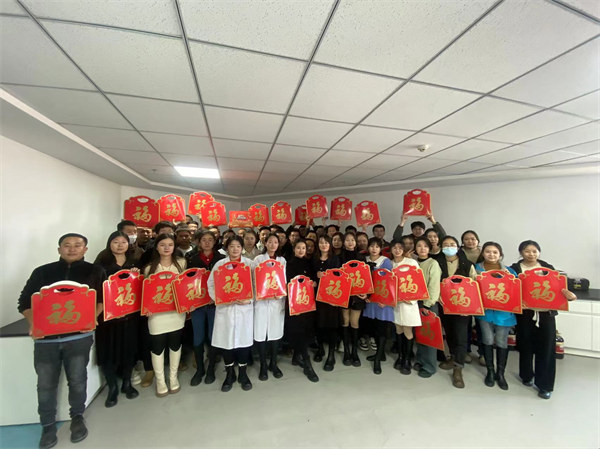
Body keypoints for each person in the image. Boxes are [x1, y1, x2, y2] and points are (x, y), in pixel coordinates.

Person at [17, 233, 105, 449]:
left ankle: (77, 417)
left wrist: (92, 317)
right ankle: (47, 426)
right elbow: (24, 302)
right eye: (67, 245)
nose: (72, 249)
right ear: (59, 249)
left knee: (77, 379)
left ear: (85, 249)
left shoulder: (95, 271)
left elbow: (103, 299)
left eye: (77, 245)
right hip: (46, 340)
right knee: (45, 384)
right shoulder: (42, 272)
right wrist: (34, 323)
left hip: (79, 337)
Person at [509, 240, 577, 399]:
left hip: (546, 315)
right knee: (525, 345)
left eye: (534, 251)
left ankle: (544, 385)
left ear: (539, 252)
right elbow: (510, 290)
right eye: (527, 251)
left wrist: (569, 295)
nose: (531, 254)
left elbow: (560, 288)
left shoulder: (548, 268)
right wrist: (517, 302)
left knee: (546, 349)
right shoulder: (514, 269)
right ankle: (526, 375)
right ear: (521, 253)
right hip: (525, 314)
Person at [94, 231, 140, 407]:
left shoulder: (133, 262)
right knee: (109, 351)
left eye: (123, 242)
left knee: (128, 349)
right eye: (116, 242)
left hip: (130, 315)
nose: (120, 245)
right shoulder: (101, 265)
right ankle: (112, 387)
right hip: (108, 317)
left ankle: (127, 383)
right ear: (109, 243)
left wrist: (137, 275)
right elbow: (96, 291)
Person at [207, 236, 255, 392]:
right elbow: (211, 284)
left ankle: (243, 374)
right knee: (226, 342)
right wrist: (220, 299)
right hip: (225, 310)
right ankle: (229, 374)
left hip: (244, 310)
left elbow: (257, 284)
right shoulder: (220, 265)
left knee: (243, 342)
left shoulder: (249, 264)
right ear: (227, 248)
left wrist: (249, 300)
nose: (235, 249)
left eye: (238, 246)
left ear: (242, 248)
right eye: (232, 246)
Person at [142, 233, 186, 398]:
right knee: (157, 347)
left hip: (176, 312)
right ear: (156, 247)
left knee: (175, 345)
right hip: (156, 315)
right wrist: (146, 308)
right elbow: (145, 293)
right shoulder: (149, 268)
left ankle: (173, 378)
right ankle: (160, 381)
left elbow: (186, 286)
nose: (167, 248)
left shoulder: (181, 264)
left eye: (170, 245)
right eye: (162, 245)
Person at [473, 242, 517, 391]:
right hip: (484, 313)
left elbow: (516, 291)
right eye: (488, 252)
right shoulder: (476, 269)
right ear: (483, 253)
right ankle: (490, 371)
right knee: (487, 339)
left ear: (500, 254)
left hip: (504, 314)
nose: (491, 255)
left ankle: (501, 373)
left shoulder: (509, 271)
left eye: (495, 252)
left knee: (501, 341)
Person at [186, 231, 225, 386]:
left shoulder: (221, 259)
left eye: (210, 240)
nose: (207, 242)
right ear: (198, 242)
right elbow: (186, 283)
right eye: (204, 240)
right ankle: (200, 369)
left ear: (215, 242)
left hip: (215, 304)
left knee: (212, 336)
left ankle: (210, 369)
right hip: (198, 305)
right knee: (198, 336)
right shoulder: (192, 260)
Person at [437, 236, 477, 388]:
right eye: (446, 244)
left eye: (452, 244)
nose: (449, 247)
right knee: (450, 333)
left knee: (461, 336)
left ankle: (458, 369)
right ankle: (453, 357)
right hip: (444, 304)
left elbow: (474, 285)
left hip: (463, 306)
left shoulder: (467, 264)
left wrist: (470, 306)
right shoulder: (438, 262)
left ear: (458, 247)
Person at [253, 234, 287, 381]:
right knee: (260, 333)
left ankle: (273, 363)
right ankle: (263, 365)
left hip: (276, 302)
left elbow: (284, 280)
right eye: (270, 242)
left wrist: (279, 294)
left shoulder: (282, 260)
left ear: (278, 244)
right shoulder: (258, 260)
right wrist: (262, 293)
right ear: (265, 243)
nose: (273, 245)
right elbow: (253, 280)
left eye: (276, 242)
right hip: (261, 302)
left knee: (275, 332)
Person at [285, 239, 319, 382]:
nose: (301, 250)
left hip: (308, 303)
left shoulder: (309, 263)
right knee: (298, 331)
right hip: (295, 303)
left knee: (306, 330)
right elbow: (287, 283)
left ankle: (296, 357)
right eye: (298, 248)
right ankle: (306, 362)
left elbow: (314, 279)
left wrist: (314, 282)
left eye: (303, 248)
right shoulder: (289, 264)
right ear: (294, 249)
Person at [389, 240, 421, 375]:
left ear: (403, 249)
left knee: (408, 330)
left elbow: (419, 282)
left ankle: (407, 359)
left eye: (400, 248)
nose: (397, 250)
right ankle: (400, 356)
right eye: (394, 248)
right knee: (398, 329)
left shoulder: (411, 263)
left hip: (409, 303)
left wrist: (412, 299)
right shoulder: (389, 264)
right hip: (395, 303)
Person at [311, 235, 341, 371]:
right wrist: (315, 278)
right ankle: (320, 348)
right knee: (319, 325)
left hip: (331, 299)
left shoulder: (335, 259)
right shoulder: (314, 259)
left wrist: (327, 275)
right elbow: (310, 276)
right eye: (321, 243)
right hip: (317, 297)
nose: (324, 245)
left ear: (330, 245)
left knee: (332, 326)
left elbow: (340, 278)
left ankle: (331, 355)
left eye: (326, 243)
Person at [363, 237, 394, 374]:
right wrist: (366, 296)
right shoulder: (364, 260)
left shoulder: (385, 261)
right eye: (372, 246)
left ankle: (378, 359)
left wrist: (384, 299)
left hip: (382, 300)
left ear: (381, 248)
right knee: (374, 327)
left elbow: (388, 281)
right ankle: (379, 354)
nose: (374, 249)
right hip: (370, 300)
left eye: (377, 246)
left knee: (382, 327)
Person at [413, 237, 442, 378]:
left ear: (429, 248)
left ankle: (429, 366)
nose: (422, 248)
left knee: (429, 335)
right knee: (419, 334)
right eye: (419, 246)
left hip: (428, 304)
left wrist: (427, 304)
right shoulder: (413, 263)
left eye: (425, 246)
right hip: (415, 302)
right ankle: (420, 360)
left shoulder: (433, 263)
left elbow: (434, 286)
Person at [339, 232, 366, 367]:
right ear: (344, 243)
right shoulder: (339, 257)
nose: (350, 242)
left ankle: (354, 352)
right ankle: (346, 351)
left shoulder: (361, 257)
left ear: (356, 242)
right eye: (347, 240)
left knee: (354, 323)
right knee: (345, 322)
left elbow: (366, 277)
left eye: (352, 240)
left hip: (357, 296)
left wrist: (366, 293)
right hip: (343, 295)